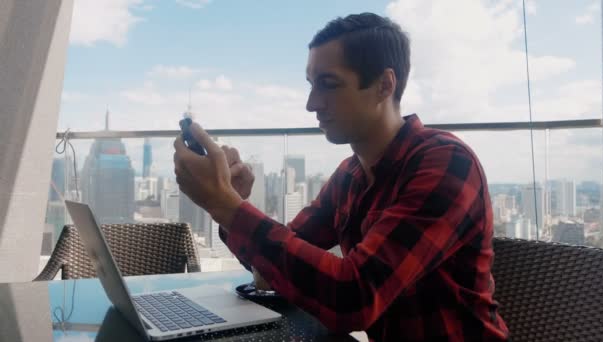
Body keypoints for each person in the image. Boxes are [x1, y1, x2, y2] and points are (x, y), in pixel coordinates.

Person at [173, 12, 509, 342]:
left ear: (383, 85)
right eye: (311, 84)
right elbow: (273, 268)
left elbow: (353, 297)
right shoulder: (351, 174)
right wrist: (235, 204)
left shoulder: (446, 163)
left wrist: (228, 208)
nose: (311, 103)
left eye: (328, 84)